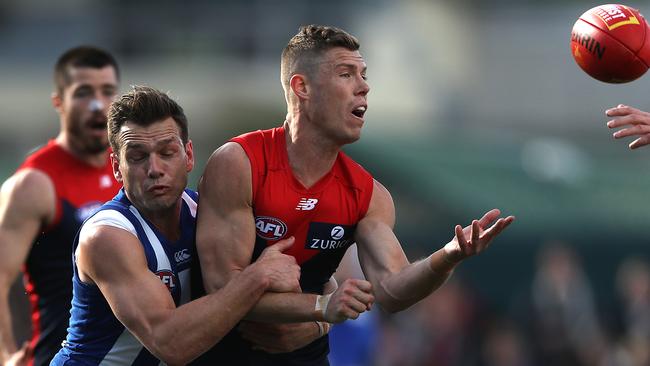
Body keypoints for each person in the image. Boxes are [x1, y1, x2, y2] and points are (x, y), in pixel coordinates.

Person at [196, 24, 515, 365]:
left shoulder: (368, 193)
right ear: (301, 86)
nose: (364, 87)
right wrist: (320, 307)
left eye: (363, 74)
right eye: (346, 74)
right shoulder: (239, 163)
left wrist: (447, 256)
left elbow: (392, 290)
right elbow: (222, 290)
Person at [50, 86, 301, 365]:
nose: (154, 168)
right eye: (137, 156)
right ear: (116, 167)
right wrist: (257, 277)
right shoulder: (106, 236)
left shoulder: (212, 213)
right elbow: (171, 344)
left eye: (167, 152)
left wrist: (320, 322)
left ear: (189, 155)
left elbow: (315, 278)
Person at [0, 46, 122, 366]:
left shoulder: (133, 170)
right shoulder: (34, 184)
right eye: (83, 93)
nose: (98, 104)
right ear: (59, 102)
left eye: (107, 91)